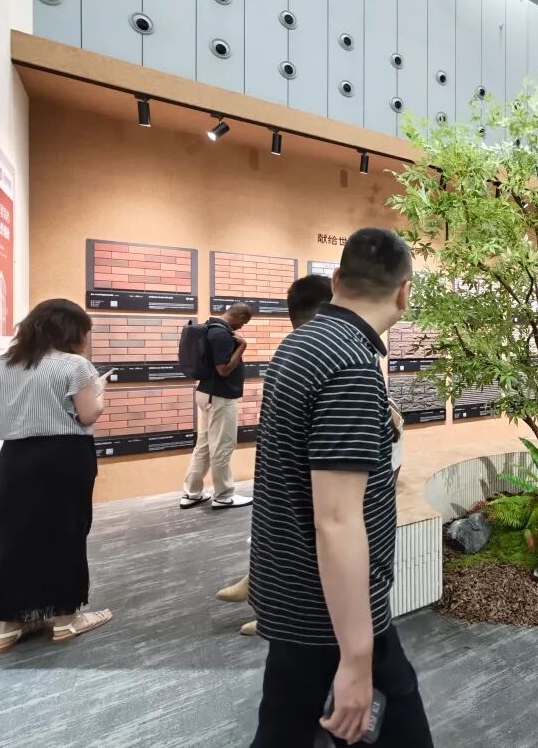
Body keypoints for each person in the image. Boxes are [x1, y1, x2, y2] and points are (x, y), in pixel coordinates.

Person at [249, 228, 433, 747]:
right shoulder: (351, 364)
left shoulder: (302, 343)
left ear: (335, 280)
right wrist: (356, 658)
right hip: (329, 611)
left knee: (283, 730)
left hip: (296, 595)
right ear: (404, 292)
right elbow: (336, 519)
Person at [0, 299, 113, 653]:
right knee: (65, 531)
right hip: (64, 456)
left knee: (15, 534)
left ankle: (9, 624)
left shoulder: (0, 365)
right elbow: (88, 415)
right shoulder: (74, 365)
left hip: (16, 458)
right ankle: (65, 619)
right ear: (71, 331)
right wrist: (100, 392)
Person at [217, 274, 334, 636]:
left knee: (294, 532)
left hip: (303, 471)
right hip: (298, 470)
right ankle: (269, 597)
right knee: (287, 530)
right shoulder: (315, 349)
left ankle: (272, 602)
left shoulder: (296, 348)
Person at [180, 302, 254, 510]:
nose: (242, 327)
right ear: (240, 317)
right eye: (244, 323)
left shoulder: (210, 327)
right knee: (222, 446)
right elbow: (224, 369)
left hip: (206, 393)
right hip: (220, 397)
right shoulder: (222, 334)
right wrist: (242, 346)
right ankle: (224, 495)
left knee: (203, 446)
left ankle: (192, 493)